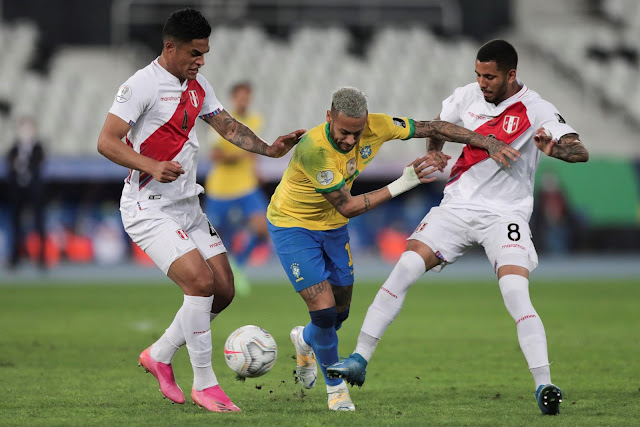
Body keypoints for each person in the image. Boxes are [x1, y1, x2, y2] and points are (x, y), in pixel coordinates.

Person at [327, 40, 589, 416]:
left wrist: (553, 150)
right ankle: (359, 358)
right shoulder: (465, 96)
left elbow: (580, 150)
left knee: (515, 292)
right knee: (404, 268)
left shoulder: (537, 109)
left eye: (490, 76)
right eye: (478, 74)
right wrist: (435, 149)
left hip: (506, 215)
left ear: (511, 75)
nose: (482, 82)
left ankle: (544, 383)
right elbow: (440, 125)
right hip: (457, 207)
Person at [96, 8, 304, 413]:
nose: (201, 60)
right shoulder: (141, 85)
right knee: (199, 283)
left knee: (223, 291)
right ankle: (205, 384)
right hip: (147, 207)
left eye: (205, 53)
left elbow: (226, 125)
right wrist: (151, 165)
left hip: (187, 204)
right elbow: (106, 141)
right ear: (169, 47)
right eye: (195, 52)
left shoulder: (198, 84)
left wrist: (268, 148)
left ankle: (158, 354)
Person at [267, 86, 514, 411]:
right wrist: (405, 181)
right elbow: (348, 207)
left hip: (333, 230)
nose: (350, 141)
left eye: (357, 133)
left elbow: (433, 126)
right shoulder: (314, 149)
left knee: (338, 314)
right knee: (324, 311)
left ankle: (305, 339)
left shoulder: (378, 126)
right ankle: (336, 389)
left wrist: (488, 141)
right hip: (293, 225)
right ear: (329, 117)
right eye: (343, 132)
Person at [204, 81, 267, 294]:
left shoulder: (255, 120)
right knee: (215, 236)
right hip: (221, 189)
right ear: (233, 98)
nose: (244, 100)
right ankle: (215, 276)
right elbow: (214, 155)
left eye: (247, 96)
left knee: (263, 227)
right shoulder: (223, 121)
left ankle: (238, 266)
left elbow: (254, 153)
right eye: (240, 96)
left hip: (246, 185)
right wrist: (240, 154)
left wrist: (256, 170)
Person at [6, 116, 46, 270]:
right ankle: (14, 258)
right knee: (16, 225)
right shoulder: (14, 148)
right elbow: (9, 165)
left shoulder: (37, 148)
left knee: (39, 225)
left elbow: (38, 164)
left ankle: (41, 258)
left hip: (34, 191)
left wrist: (24, 163)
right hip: (18, 191)